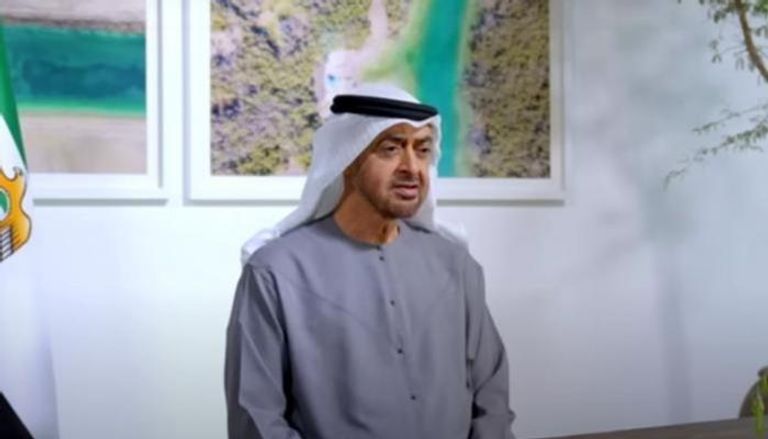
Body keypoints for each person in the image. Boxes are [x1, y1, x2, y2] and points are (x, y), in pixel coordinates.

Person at [225, 83, 514, 438]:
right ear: (348, 159)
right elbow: (256, 417)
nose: (412, 167)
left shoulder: (456, 265)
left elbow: (491, 397)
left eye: (422, 150)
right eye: (391, 149)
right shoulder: (275, 272)